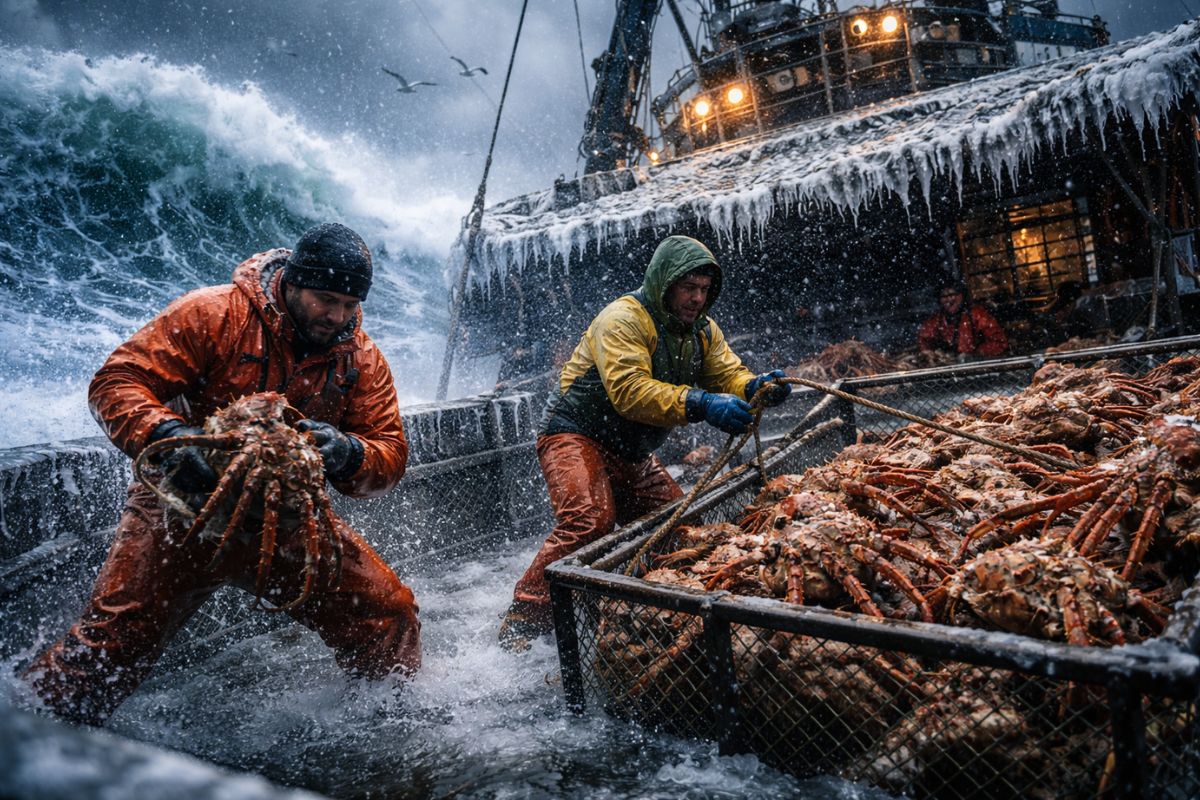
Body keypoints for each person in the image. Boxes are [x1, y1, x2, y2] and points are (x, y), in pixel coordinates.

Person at [22, 223, 421, 726]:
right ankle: (28, 731)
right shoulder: (214, 313)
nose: (337, 316)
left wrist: (348, 453)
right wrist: (166, 436)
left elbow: (389, 452)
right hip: (180, 510)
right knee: (110, 643)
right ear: (293, 282)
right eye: (325, 300)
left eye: (349, 304)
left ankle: (390, 717)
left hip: (287, 518)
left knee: (386, 611)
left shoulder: (360, 358)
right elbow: (118, 381)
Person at [498, 235, 792, 651]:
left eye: (704, 289)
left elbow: (727, 373)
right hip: (574, 433)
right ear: (664, 283)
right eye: (688, 287)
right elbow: (629, 391)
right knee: (589, 520)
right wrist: (701, 403)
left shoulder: (703, 331)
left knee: (676, 527)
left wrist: (753, 387)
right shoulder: (624, 319)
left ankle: (631, 608)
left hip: (631, 451)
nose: (697, 298)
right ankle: (524, 619)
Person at [917, 280, 1008, 358]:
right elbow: (924, 342)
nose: (949, 299)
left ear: (962, 296)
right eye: (944, 296)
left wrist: (976, 354)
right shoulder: (936, 320)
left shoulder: (977, 315)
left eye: (952, 294)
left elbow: (999, 342)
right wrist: (932, 355)